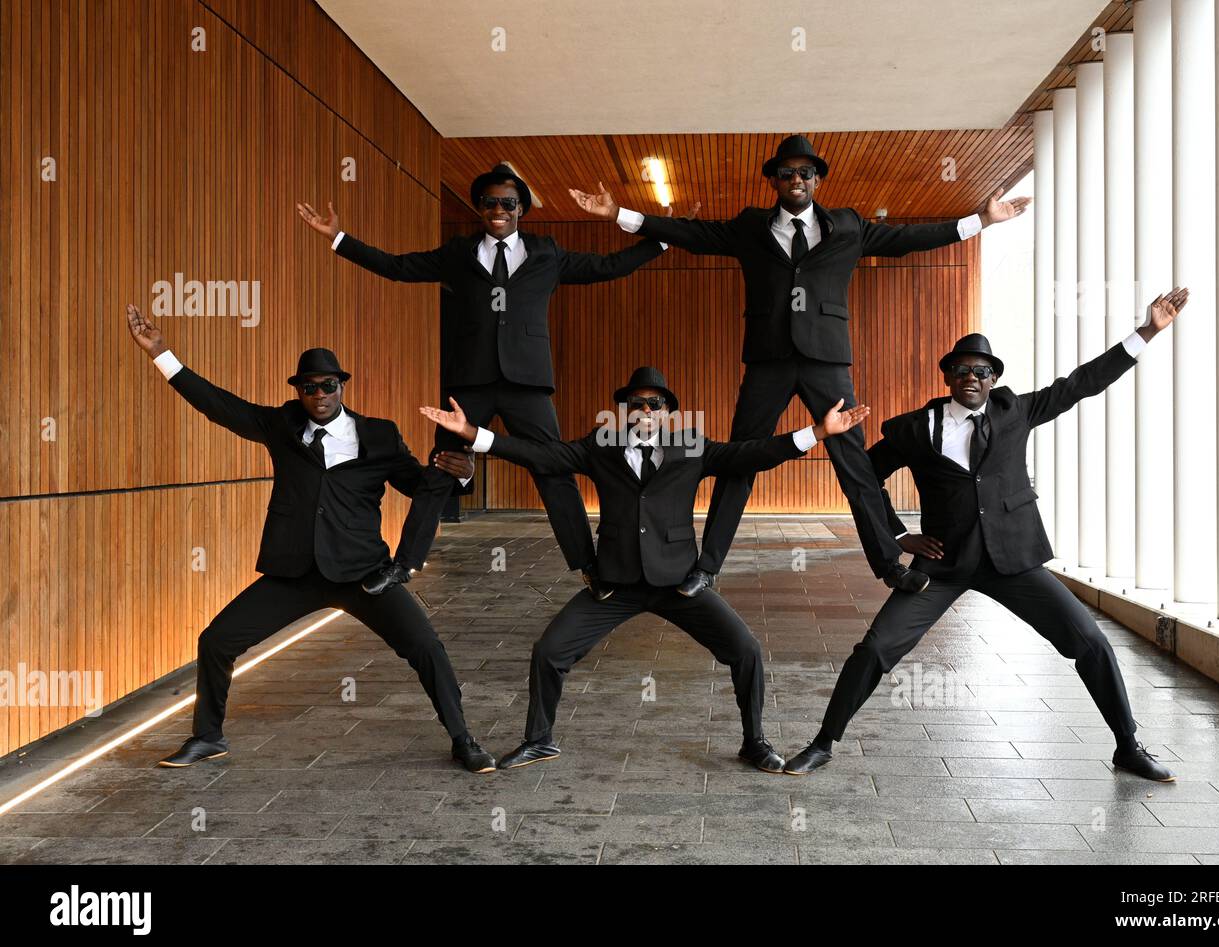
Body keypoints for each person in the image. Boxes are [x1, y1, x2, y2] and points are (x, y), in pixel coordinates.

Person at [570, 135, 1030, 599]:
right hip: (767, 362)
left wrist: (982, 221)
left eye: (805, 173)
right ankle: (706, 568)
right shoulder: (750, 227)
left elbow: (909, 239)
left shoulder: (849, 226)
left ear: (817, 179)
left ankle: (889, 564)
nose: (796, 180)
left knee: (854, 466)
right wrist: (618, 215)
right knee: (739, 464)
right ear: (774, 179)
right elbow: (693, 233)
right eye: (787, 173)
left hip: (826, 363)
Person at [782, 289, 1191, 782]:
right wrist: (896, 536)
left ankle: (1127, 746)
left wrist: (1145, 331)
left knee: (1091, 642)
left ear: (993, 378)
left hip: (1012, 561)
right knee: (873, 650)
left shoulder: (1014, 411)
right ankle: (823, 743)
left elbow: (1082, 383)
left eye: (981, 371)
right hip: (943, 565)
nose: (971, 378)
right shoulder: (915, 428)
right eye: (961, 370)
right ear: (947, 376)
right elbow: (864, 480)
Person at [421, 366, 869, 772]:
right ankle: (539, 740)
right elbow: (545, 457)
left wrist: (816, 432)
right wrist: (475, 433)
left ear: (669, 412)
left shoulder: (691, 447)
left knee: (746, 650)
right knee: (549, 651)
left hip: (680, 584)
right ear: (624, 412)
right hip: (616, 585)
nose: (645, 410)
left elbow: (752, 454)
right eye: (636, 404)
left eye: (655, 403)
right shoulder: (602, 445)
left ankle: (754, 742)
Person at [125, 304, 496, 773]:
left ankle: (463, 740)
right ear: (299, 391)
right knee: (216, 640)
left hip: (365, 575)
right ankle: (208, 737)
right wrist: (162, 354)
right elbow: (220, 405)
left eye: (327, 386)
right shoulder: (281, 425)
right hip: (294, 573)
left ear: (342, 387)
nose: (318, 394)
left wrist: (462, 476)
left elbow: (422, 488)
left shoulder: (378, 435)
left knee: (427, 649)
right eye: (308, 387)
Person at [298, 164, 668, 599]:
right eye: (490, 202)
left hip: (527, 383)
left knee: (553, 469)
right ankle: (402, 566)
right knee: (442, 467)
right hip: (470, 381)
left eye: (508, 203)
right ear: (479, 207)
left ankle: (589, 567)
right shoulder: (457, 253)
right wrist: (339, 239)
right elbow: (399, 267)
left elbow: (610, 266)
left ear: (521, 210)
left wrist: (664, 237)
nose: (498, 209)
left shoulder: (547, 253)